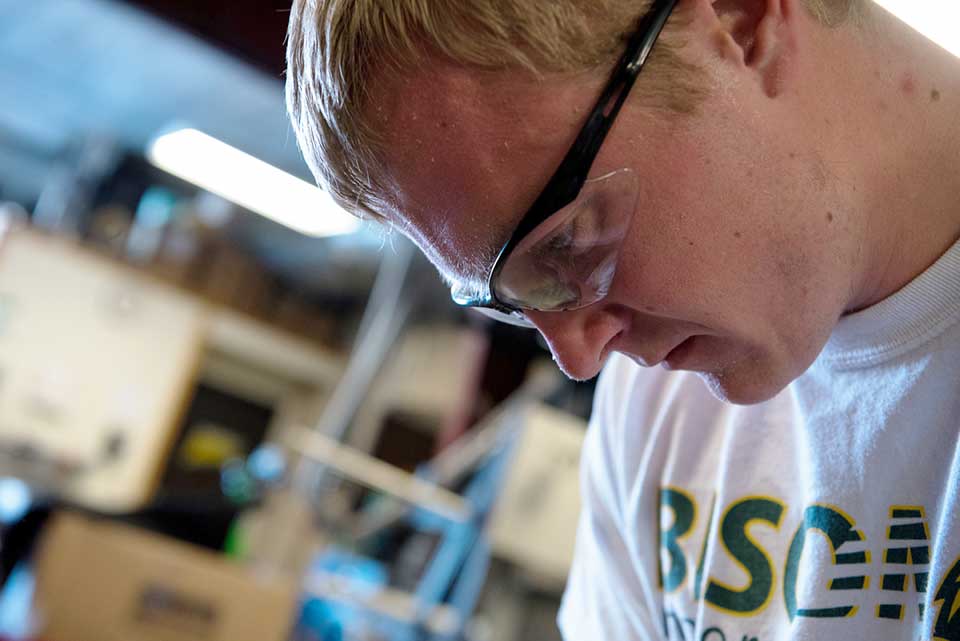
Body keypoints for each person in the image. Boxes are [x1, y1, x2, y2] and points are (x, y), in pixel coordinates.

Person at [285, 0, 960, 638]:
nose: (579, 359)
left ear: (742, 19)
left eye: (569, 243)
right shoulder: (659, 409)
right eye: (517, 303)